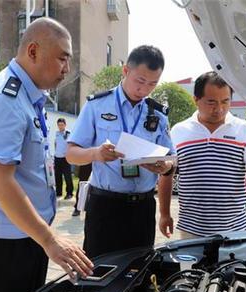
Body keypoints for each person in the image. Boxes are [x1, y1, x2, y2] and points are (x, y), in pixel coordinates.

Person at [0, 17, 93, 292]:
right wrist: (50, 240)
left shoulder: (27, 96)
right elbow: (1, 182)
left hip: (26, 236)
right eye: (62, 56)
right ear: (33, 51)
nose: (67, 67)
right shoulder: (5, 100)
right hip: (3, 245)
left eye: (70, 59)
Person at [66, 45, 175, 258]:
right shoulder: (97, 105)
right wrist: (96, 154)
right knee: (98, 273)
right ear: (125, 71)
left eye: (152, 84)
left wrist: (164, 166)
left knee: (140, 273)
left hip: (142, 208)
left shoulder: (158, 114)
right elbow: (71, 153)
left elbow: (171, 160)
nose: (144, 89)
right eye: (140, 81)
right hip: (105, 206)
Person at [158, 71, 246, 239]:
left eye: (225, 101)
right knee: (193, 267)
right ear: (196, 100)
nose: (219, 109)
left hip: (236, 228)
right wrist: (164, 214)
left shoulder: (243, 129)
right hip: (191, 229)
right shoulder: (179, 131)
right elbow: (166, 174)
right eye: (211, 102)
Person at [54, 118, 74, 199]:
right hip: (57, 157)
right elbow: (55, 144)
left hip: (65, 158)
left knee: (67, 176)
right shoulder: (57, 133)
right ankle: (59, 192)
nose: (60, 126)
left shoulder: (68, 133)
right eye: (59, 125)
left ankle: (69, 193)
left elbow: (71, 145)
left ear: (65, 125)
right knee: (57, 176)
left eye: (62, 125)